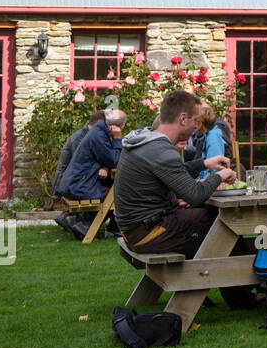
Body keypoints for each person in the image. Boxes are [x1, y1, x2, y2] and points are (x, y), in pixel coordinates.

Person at [115, 91, 256, 307]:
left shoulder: (144, 140)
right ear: (182, 119)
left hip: (136, 229)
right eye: (195, 120)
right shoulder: (161, 149)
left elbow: (174, 171)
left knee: (212, 219)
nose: (196, 126)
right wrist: (220, 175)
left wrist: (205, 164)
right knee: (223, 227)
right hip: (147, 233)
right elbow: (195, 195)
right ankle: (243, 298)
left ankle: (230, 293)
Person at [55, 110, 127, 240]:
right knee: (116, 194)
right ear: (121, 127)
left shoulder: (98, 132)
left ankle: (78, 221)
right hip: (78, 185)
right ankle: (87, 226)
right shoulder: (99, 135)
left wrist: (105, 166)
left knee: (112, 191)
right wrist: (117, 139)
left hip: (76, 182)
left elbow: (106, 158)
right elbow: (115, 160)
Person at [53, 109, 105, 195]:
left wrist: (105, 167)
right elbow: (82, 165)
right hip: (69, 185)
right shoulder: (78, 139)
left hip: (80, 181)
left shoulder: (93, 136)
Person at [191, 103, 233, 180]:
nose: (193, 124)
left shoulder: (213, 137)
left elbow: (214, 169)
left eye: (195, 121)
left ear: (201, 122)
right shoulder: (206, 135)